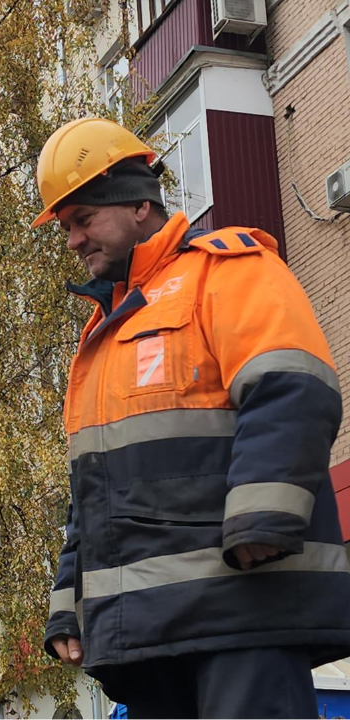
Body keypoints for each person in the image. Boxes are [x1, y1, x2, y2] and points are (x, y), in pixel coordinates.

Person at [35, 117, 350, 719]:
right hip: (148, 632)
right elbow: (93, 491)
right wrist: (71, 602)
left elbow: (293, 387)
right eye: (66, 227)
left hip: (242, 611)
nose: (73, 240)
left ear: (136, 203)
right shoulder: (104, 335)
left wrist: (265, 518)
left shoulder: (227, 269)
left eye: (83, 219)